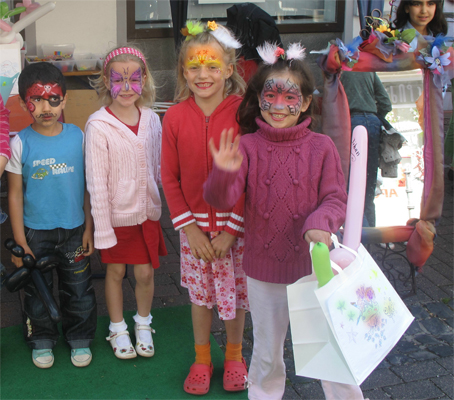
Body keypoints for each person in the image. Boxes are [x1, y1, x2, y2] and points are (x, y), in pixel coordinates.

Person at [204, 43, 366, 400]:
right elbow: (221, 199)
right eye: (270, 95)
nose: (278, 106)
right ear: (259, 98)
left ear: (306, 102)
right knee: (265, 353)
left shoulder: (322, 147)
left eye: (289, 97)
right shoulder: (246, 147)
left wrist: (322, 219)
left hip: (314, 268)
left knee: (329, 346)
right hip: (263, 273)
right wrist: (222, 173)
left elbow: (336, 197)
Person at [161, 21, 249, 395]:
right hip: (194, 230)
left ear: (229, 69)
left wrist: (231, 229)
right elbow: (169, 178)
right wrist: (190, 229)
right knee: (201, 299)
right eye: (194, 66)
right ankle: (201, 358)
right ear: (183, 70)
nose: (203, 74)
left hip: (235, 231)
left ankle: (233, 356)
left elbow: (250, 176)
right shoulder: (175, 117)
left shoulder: (245, 114)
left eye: (213, 66)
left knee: (236, 298)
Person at [6, 62, 97, 368]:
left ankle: (80, 337)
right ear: (23, 103)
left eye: (53, 98)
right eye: (37, 99)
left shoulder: (79, 137)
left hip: (74, 229)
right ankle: (42, 338)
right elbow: (15, 194)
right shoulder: (19, 145)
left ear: (65, 99)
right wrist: (20, 242)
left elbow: (87, 185)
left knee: (79, 289)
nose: (46, 107)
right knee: (37, 291)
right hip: (35, 233)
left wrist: (89, 227)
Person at [85, 46, 167, 360]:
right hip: (116, 217)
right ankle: (117, 328)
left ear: (144, 80)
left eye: (134, 79)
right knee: (116, 273)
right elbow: (96, 181)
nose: (126, 88)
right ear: (107, 81)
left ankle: (143, 323)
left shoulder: (151, 119)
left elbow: (158, 165)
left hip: (145, 213)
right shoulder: (97, 125)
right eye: (118, 80)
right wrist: (102, 229)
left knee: (145, 274)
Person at [340, 71, 392, 227]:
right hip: (372, 121)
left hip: (349, 120)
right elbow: (385, 103)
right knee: (368, 187)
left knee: (349, 185)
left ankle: (355, 238)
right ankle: (370, 238)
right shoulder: (368, 69)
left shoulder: (337, 68)